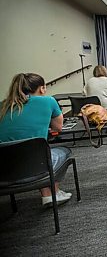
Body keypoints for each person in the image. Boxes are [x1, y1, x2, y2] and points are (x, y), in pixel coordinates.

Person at [0, 73, 73, 207]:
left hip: (4, 171)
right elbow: (58, 127)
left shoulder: (3, 105)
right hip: (33, 165)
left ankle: (46, 193)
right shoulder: (48, 101)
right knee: (62, 152)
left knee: (35, 153)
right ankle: (54, 193)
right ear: (42, 89)